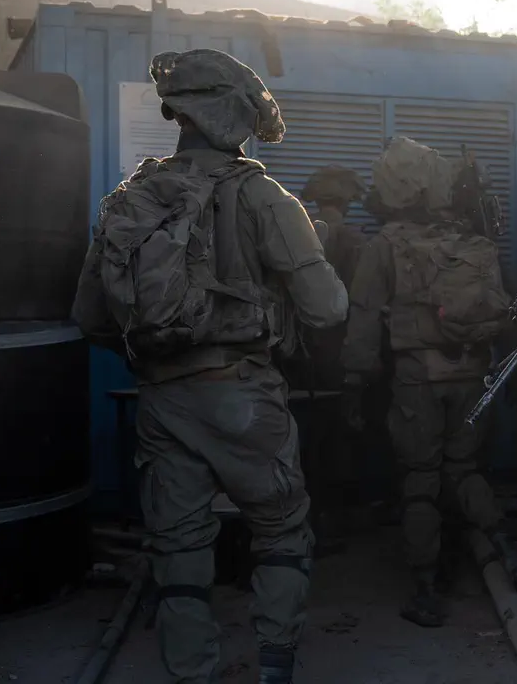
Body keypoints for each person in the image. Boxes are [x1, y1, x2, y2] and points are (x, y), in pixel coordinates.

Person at [72, 48, 348, 684]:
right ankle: (273, 666)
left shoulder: (133, 198)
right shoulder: (263, 195)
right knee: (280, 528)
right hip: (243, 394)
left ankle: (191, 672)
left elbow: (89, 317)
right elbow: (328, 307)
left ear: (180, 115)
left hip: (161, 397)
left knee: (178, 544)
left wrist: (162, 351)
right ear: (238, 114)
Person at [340, 137, 517, 627]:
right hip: (473, 375)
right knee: (464, 469)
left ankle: (425, 590)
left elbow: (363, 320)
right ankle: (508, 549)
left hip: (419, 380)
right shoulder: (472, 244)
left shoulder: (385, 246)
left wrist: (355, 383)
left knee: (421, 480)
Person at [288, 165, 369, 554]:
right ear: (349, 201)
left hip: (296, 356)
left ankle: (301, 521)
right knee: (341, 439)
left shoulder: (295, 235)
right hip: (341, 356)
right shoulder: (356, 242)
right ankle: (333, 522)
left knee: (301, 440)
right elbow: (365, 304)